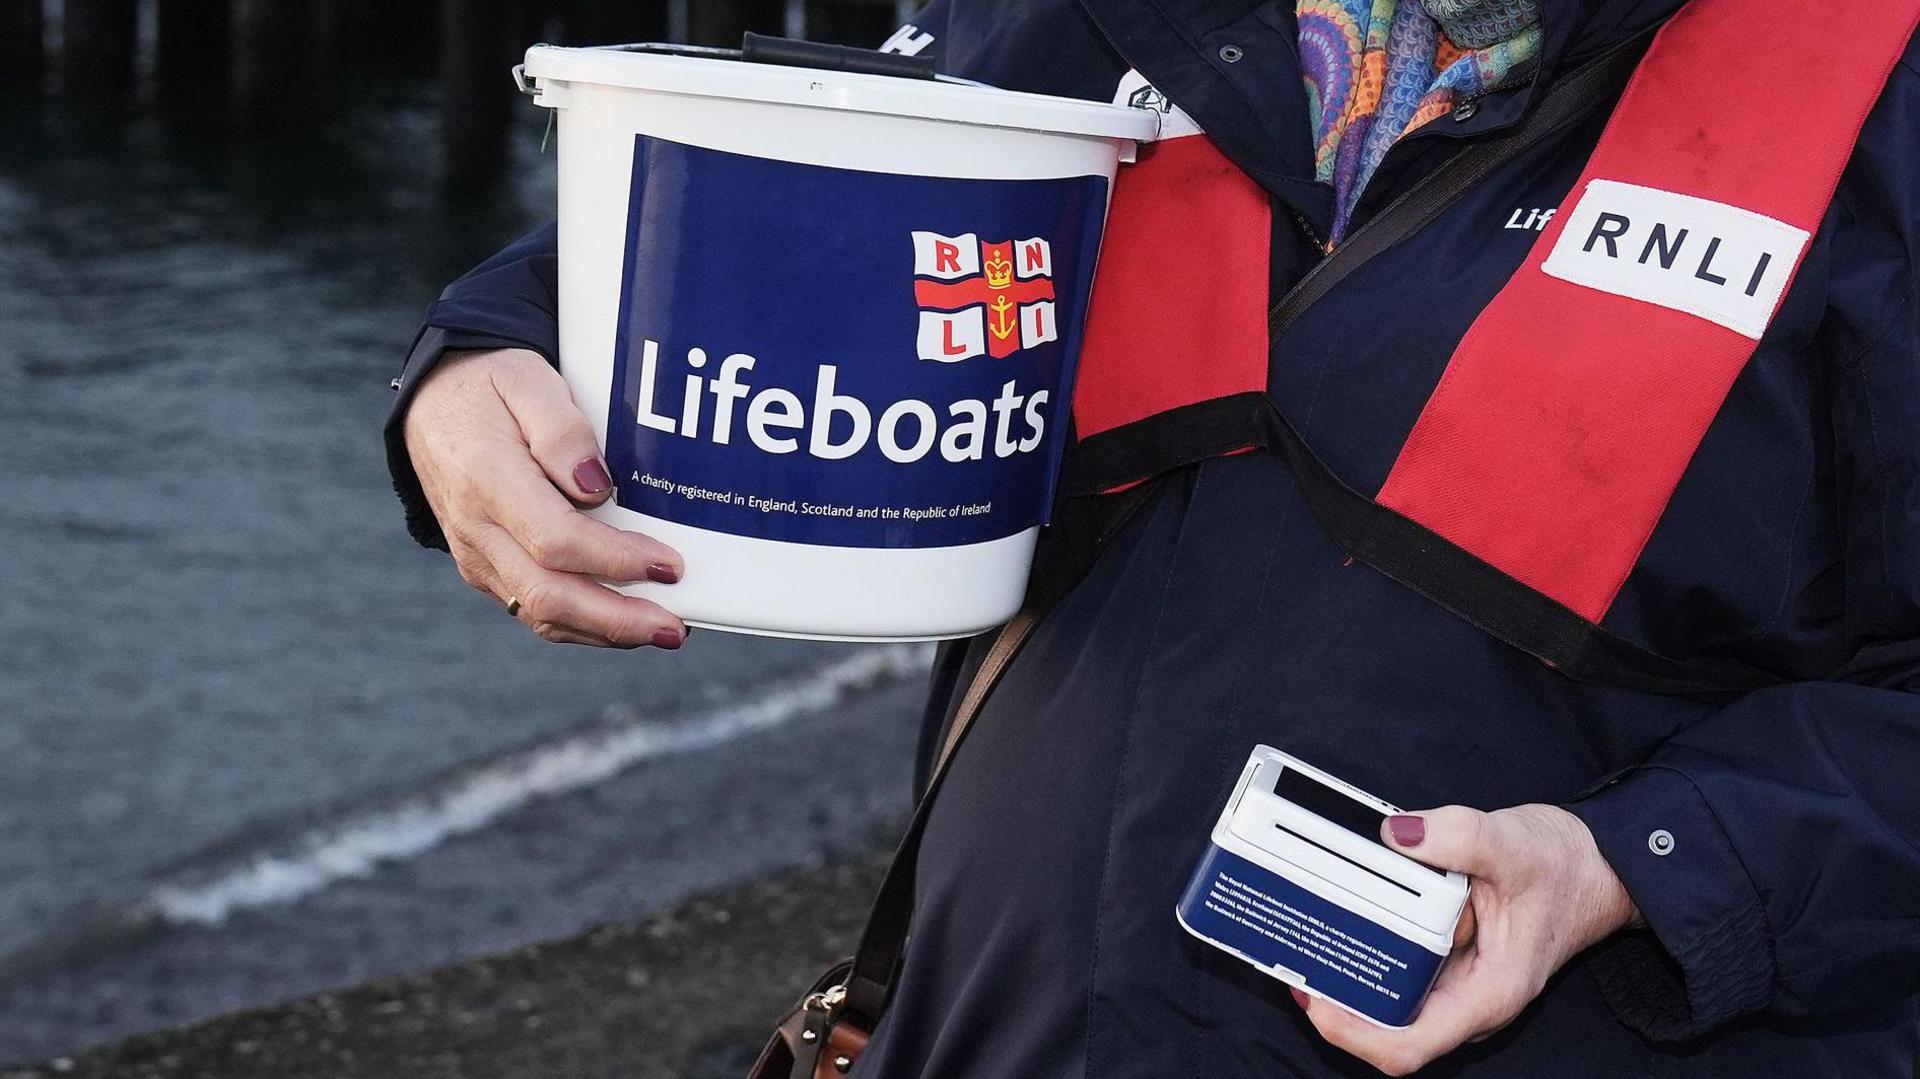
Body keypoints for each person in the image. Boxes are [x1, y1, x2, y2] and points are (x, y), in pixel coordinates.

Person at [386, 0, 1920, 1074]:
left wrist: (1639, 864)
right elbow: (785, 187)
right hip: (998, 1031)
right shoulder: (1106, 22)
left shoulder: (1879, 98)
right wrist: (471, 366)